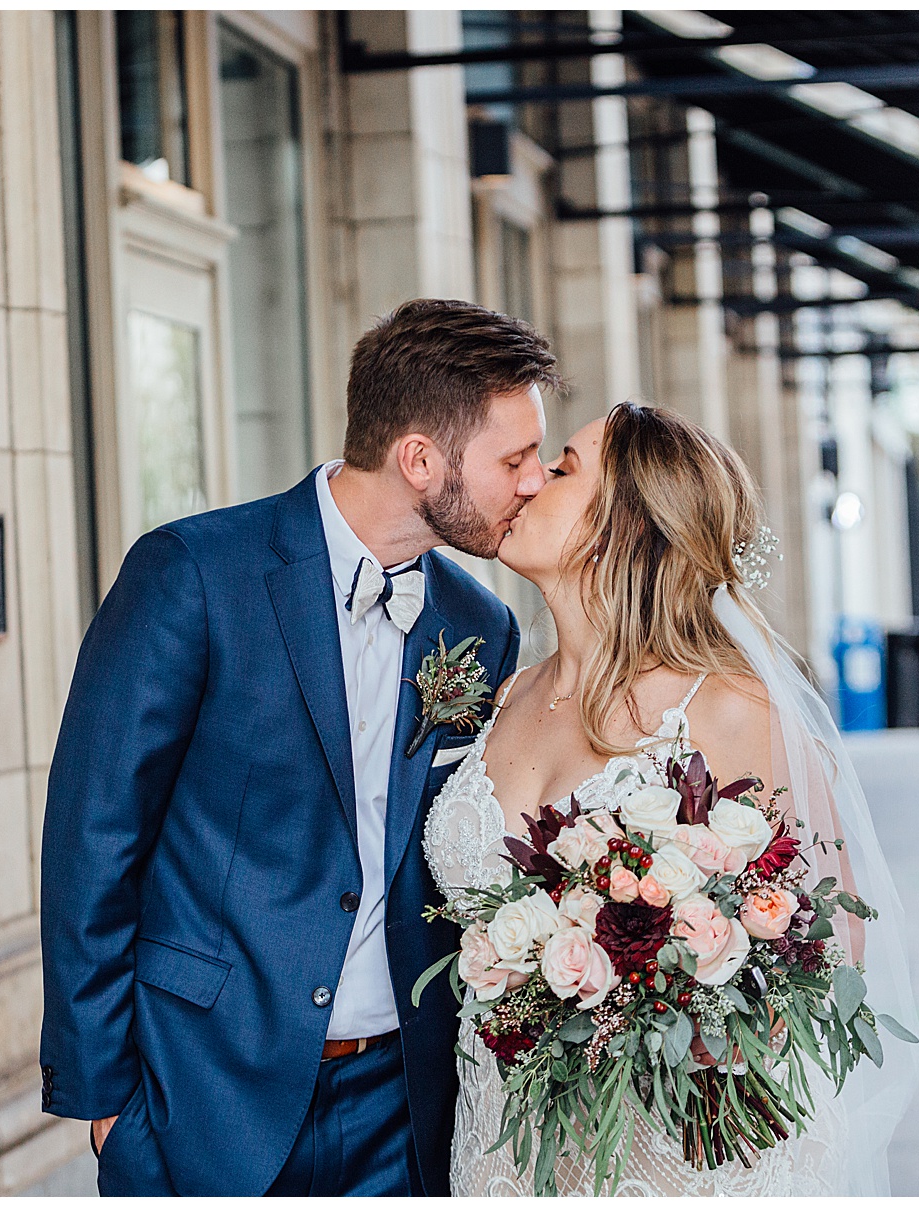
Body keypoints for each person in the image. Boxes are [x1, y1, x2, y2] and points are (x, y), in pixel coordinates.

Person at [39, 298, 562, 1195]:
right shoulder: (192, 575)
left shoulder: (478, 626)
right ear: (420, 458)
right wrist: (108, 1105)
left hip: (404, 1105)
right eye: (513, 459)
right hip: (201, 1093)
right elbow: (93, 840)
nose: (533, 482)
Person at [423, 403, 919, 1194]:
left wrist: (666, 987)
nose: (528, 480)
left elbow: (829, 942)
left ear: (626, 524)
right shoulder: (506, 690)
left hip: (681, 1154)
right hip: (504, 1139)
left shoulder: (726, 707)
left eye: (561, 468)